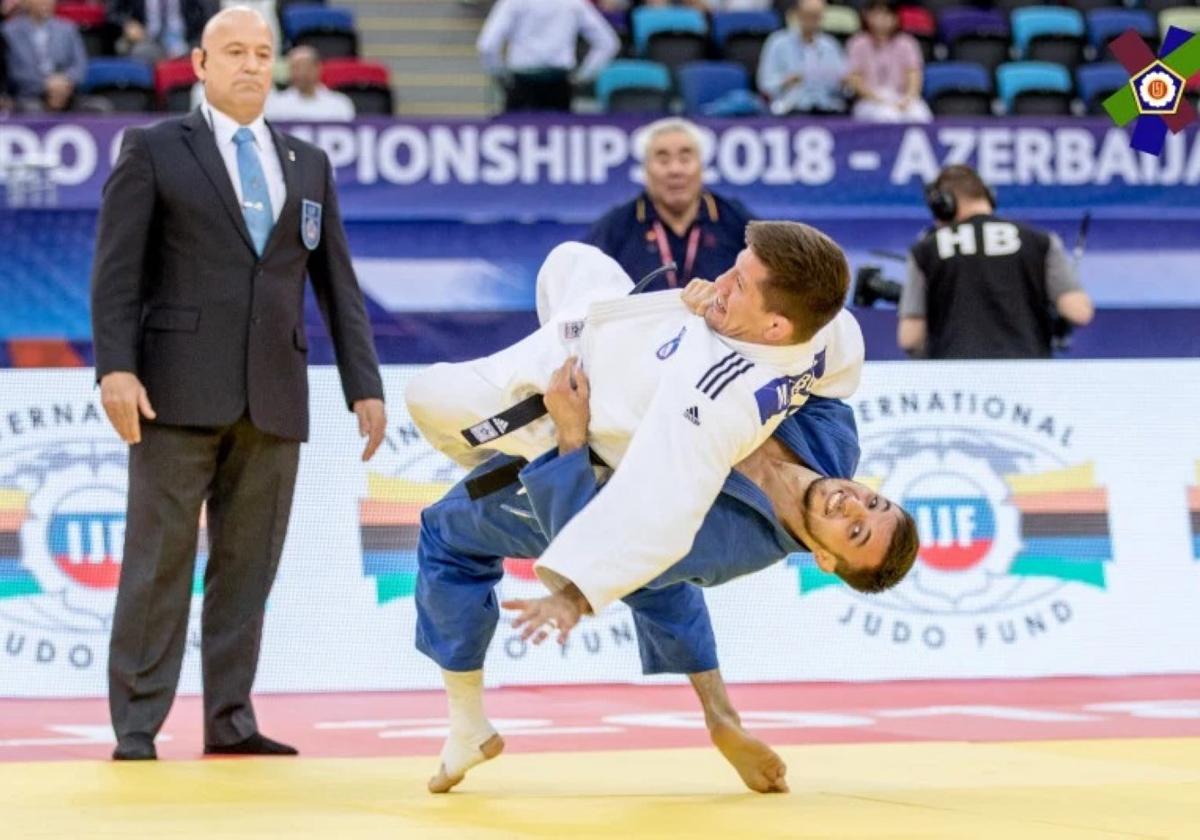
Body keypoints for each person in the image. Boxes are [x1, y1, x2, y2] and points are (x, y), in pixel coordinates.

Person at [409, 269, 919, 794]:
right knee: (573, 262)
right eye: (873, 502)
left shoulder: (726, 545)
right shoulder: (837, 441)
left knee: (448, 531)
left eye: (854, 531)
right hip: (637, 390)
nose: (851, 504)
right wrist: (719, 312)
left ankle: (468, 726)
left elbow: (591, 535)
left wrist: (568, 434)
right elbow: (791, 353)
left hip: (591, 468)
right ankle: (721, 718)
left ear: (827, 560)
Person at [90, 6, 386, 762]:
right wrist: (115, 368)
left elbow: (336, 284)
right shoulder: (154, 149)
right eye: (234, 52)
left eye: (264, 53)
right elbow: (117, 273)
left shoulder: (307, 163)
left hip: (276, 393)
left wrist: (365, 386)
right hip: (173, 390)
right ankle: (136, 728)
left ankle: (229, 719)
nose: (252, 65)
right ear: (199, 63)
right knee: (158, 565)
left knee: (247, 568)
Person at [897, 164, 1094, 359]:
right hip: (1029, 379)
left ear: (944, 205)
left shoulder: (925, 250)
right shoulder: (1040, 242)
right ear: (988, 196)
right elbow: (1078, 311)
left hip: (957, 381)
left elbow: (910, 337)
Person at [586, 118, 756, 293]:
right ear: (645, 170)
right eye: (663, 160)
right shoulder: (616, 228)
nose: (675, 170)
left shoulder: (736, 222)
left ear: (702, 167)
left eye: (685, 158)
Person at [476, 0, 619, 112]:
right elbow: (608, 43)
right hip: (559, 85)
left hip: (522, 83)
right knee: (558, 143)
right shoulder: (573, 3)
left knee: (518, 143)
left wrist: (501, 75)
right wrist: (583, 76)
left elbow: (487, 46)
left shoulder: (513, 2)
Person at [844, 0, 931, 123]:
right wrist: (878, 99)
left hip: (901, 97)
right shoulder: (857, 43)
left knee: (920, 114)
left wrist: (908, 98)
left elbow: (914, 75)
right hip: (869, 100)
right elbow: (854, 79)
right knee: (887, 115)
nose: (882, 19)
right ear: (867, 16)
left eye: (887, 14)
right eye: (877, 14)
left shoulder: (907, 43)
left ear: (896, 18)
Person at [756, 0, 848, 116]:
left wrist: (844, 83)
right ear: (797, 15)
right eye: (808, 15)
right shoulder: (777, 42)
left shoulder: (830, 45)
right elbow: (764, 84)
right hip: (790, 108)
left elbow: (842, 86)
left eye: (817, 16)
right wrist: (785, 82)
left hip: (826, 108)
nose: (812, 21)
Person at [3, 0, 88, 112]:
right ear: (26, 3)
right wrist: (45, 84)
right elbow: (13, 71)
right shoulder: (8, 32)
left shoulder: (68, 29)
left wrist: (64, 82)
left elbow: (80, 66)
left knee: (98, 107)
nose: (46, 2)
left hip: (66, 91)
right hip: (29, 94)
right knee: (31, 109)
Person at [264, 46, 356, 122]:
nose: (300, 73)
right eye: (295, 68)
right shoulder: (276, 104)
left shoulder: (340, 104)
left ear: (318, 68)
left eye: (304, 67)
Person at [107, 0, 216, 63]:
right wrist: (127, 24)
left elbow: (209, 15)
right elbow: (113, 13)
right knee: (140, 53)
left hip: (187, 40)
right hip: (147, 40)